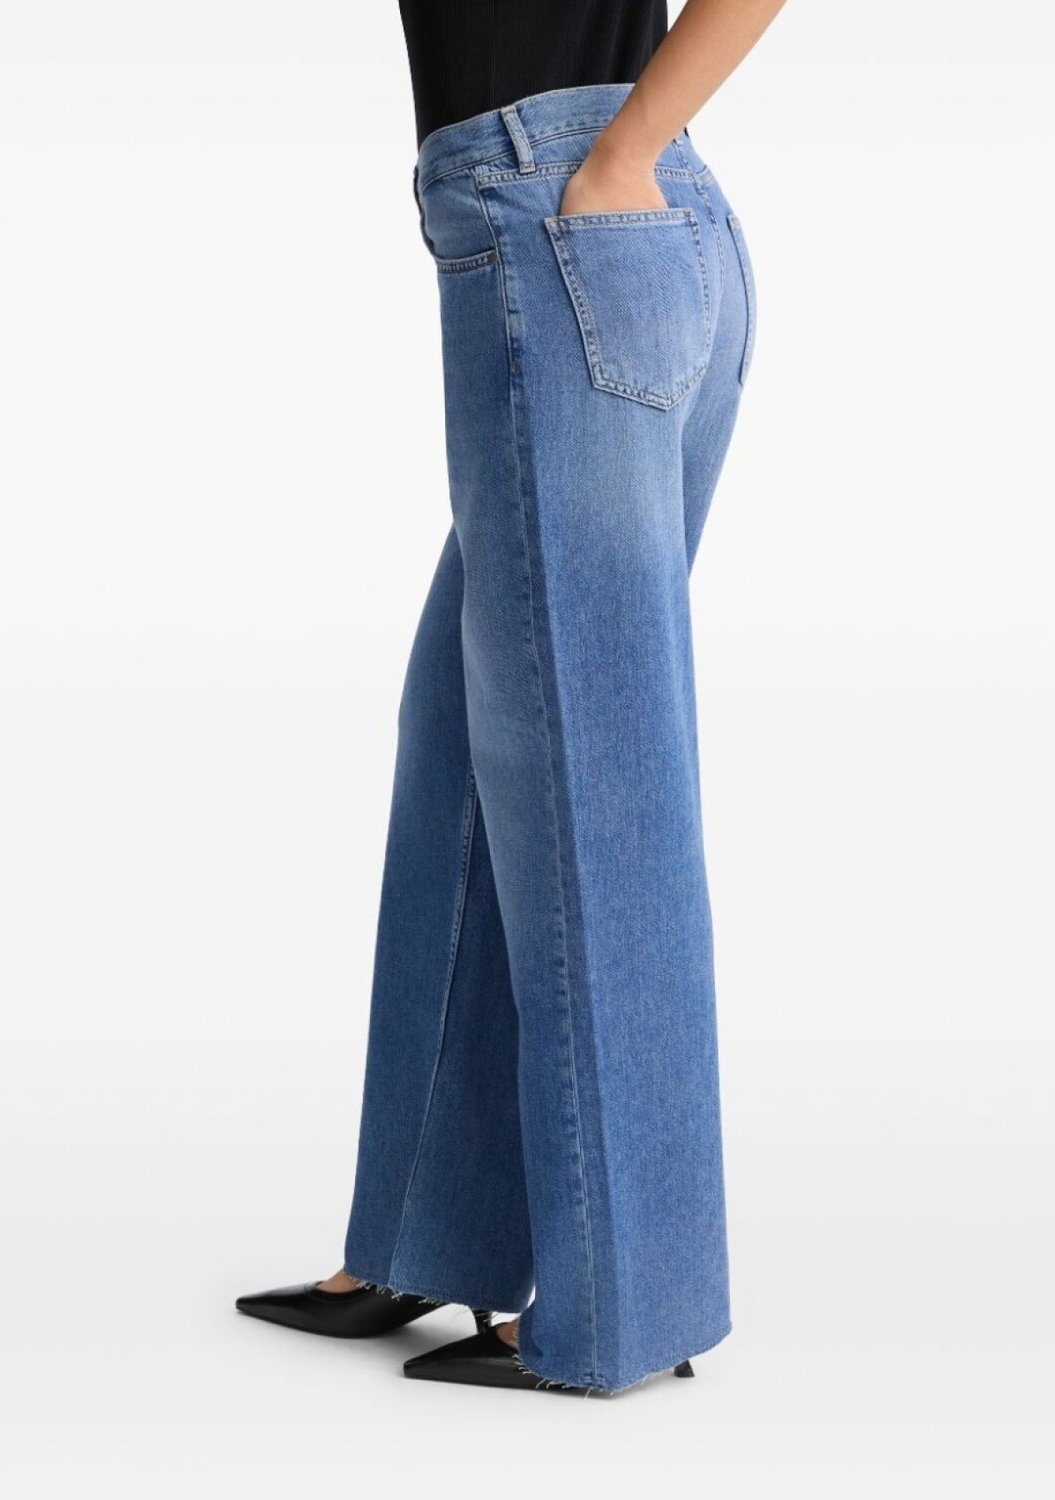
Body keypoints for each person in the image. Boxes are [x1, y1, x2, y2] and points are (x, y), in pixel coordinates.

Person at [237, 0, 785, 1395]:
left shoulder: (584, 176)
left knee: (594, 791)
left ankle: (622, 1310)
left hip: (571, 218)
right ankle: (425, 1237)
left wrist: (623, 152)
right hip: (611, 224)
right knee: (467, 770)